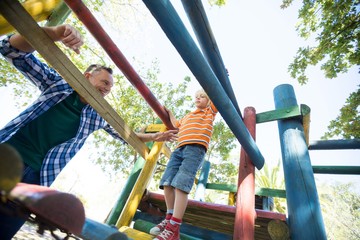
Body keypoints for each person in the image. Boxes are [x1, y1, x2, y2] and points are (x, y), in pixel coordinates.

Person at [0, 24, 178, 239]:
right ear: (86, 76)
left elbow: (125, 134)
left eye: (110, 88)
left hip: (37, 177)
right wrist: (55, 33)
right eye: (104, 82)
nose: (106, 89)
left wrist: (154, 137)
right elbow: (11, 50)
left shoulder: (98, 115)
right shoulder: (58, 85)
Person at [150, 89, 218, 240]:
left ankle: (174, 226)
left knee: (181, 183)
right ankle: (169, 218)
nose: (198, 98)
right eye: (196, 96)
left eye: (202, 97)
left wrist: (220, 79)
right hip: (179, 149)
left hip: (195, 149)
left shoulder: (209, 112)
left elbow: (216, 96)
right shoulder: (188, 115)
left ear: (208, 100)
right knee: (167, 182)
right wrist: (169, 113)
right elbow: (176, 125)